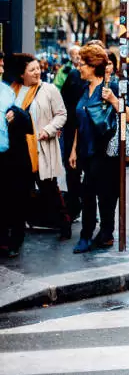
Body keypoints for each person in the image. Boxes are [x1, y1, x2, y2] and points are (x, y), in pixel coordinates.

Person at [70, 45, 129, 253]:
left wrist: (114, 101)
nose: (79, 67)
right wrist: (73, 150)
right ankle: (86, 235)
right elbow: (80, 123)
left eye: (82, 63)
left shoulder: (111, 87)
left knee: (106, 196)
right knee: (87, 195)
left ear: (92, 66)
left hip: (106, 152)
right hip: (86, 152)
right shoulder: (83, 89)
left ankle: (106, 232)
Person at [9, 54, 70, 241]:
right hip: (19, 151)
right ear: (21, 74)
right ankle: (17, 235)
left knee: (50, 189)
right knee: (19, 194)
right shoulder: (12, 91)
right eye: (32, 70)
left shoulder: (48, 89)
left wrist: (48, 130)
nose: (38, 72)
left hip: (40, 148)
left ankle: (64, 223)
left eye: (38, 68)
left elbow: (61, 114)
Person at [0, 53, 34, 258]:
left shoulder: (7, 92)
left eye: (3, 66)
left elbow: (27, 122)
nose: (2, 70)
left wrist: (15, 114)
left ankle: (13, 240)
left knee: (14, 199)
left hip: (12, 156)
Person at [59, 44, 86, 222]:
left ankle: (84, 205)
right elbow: (63, 101)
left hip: (86, 133)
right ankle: (76, 205)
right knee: (72, 171)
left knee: (89, 174)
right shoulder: (73, 75)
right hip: (72, 130)